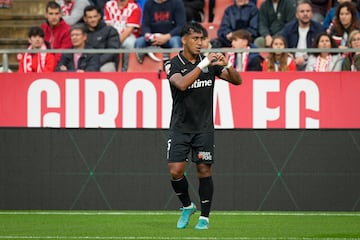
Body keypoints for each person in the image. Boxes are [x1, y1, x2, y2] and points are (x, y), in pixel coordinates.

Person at [164, 21, 242, 230]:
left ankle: (204, 218)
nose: (200, 43)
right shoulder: (173, 63)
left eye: (202, 39)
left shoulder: (208, 63)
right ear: (184, 40)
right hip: (180, 126)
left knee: (204, 171)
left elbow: (237, 80)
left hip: (203, 128)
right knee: (175, 171)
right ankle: (188, 206)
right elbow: (181, 83)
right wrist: (203, 65)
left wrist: (226, 65)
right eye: (195, 39)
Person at [281, 0, 324, 70]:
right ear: (296, 15)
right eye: (302, 11)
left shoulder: (319, 29)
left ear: (312, 14)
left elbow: (321, 49)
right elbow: (283, 46)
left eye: (308, 11)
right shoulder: (288, 28)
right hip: (291, 62)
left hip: (312, 63)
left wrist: (305, 58)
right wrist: (290, 56)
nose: (305, 14)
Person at [104, 0, 142, 72]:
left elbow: (129, 29)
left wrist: (116, 42)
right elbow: (108, 26)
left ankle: (126, 69)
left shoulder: (134, 7)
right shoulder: (109, 5)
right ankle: (110, 67)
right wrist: (113, 40)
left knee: (130, 43)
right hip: (111, 36)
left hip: (128, 36)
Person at [83, 5, 121, 72]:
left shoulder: (110, 30)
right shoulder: (81, 32)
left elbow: (113, 51)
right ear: (85, 19)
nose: (93, 20)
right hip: (86, 63)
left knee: (108, 70)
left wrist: (95, 63)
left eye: (95, 16)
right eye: (90, 17)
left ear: (99, 16)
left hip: (106, 63)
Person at [41, 1, 72, 66]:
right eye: (51, 14)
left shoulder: (67, 29)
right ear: (46, 15)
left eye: (56, 13)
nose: (54, 17)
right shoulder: (43, 28)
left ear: (61, 14)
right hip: (43, 62)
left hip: (59, 64)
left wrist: (49, 63)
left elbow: (63, 53)